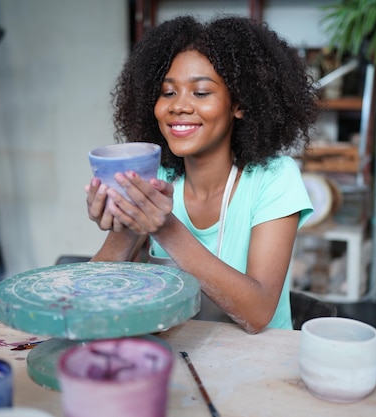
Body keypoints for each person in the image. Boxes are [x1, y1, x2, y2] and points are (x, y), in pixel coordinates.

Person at [85, 15, 319, 334]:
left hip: (263, 365)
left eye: (201, 93)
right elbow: (91, 293)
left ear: (240, 104)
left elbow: (259, 312)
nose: (178, 106)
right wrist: (125, 225)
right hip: (177, 357)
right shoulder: (157, 177)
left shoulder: (274, 178)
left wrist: (165, 227)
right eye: (167, 92)